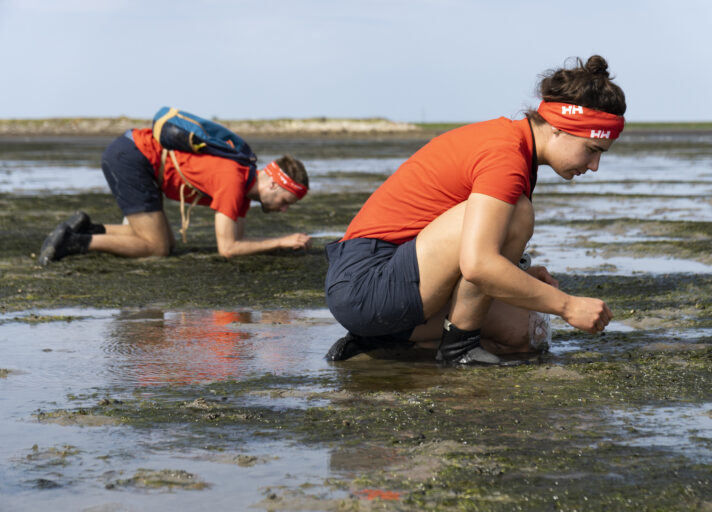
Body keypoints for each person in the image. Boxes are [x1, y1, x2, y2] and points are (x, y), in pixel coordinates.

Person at [324, 55, 625, 365]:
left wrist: (519, 277)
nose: (594, 166)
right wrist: (568, 306)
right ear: (559, 128)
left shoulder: (514, 145)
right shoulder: (505, 154)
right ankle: (458, 348)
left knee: (524, 334)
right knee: (519, 214)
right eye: (591, 150)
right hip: (367, 282)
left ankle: (378, 347)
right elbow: (479, 265)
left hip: (387, 282)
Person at [38, 127, 311, 265]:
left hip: (131, 151)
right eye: (286, 202)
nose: (284, 210)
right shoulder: (233, 181)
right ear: (274, 184)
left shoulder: (243, 183)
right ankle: (75, 242)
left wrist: (279, 244)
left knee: (165, 243)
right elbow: (227, 249)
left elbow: (238, 241)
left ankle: (88, 228)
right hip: (133, 157)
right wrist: (281, 242)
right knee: (156, 248)